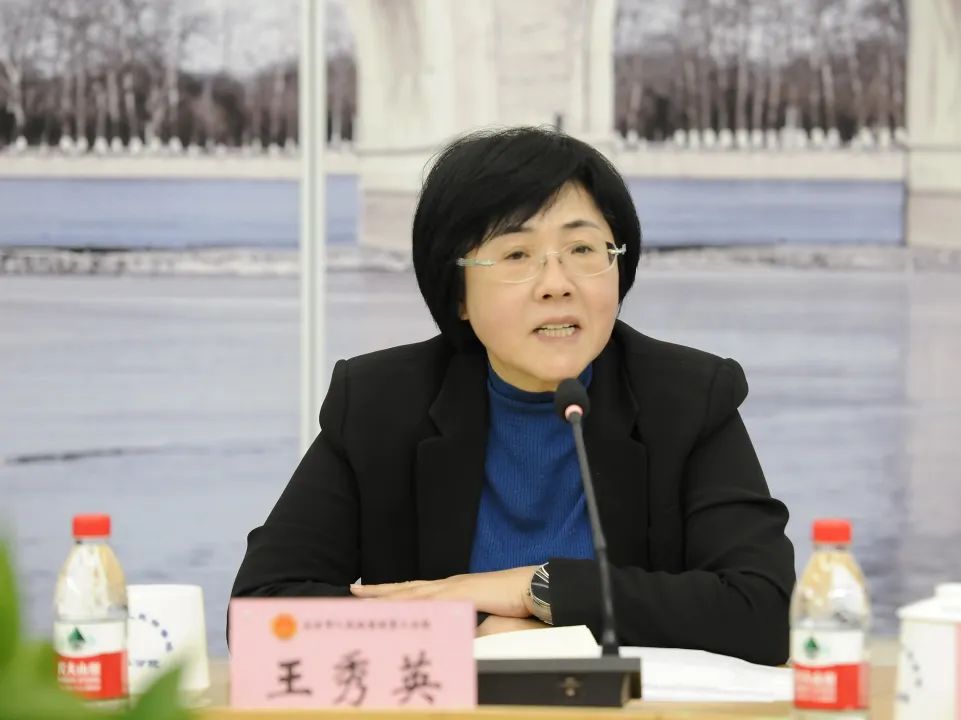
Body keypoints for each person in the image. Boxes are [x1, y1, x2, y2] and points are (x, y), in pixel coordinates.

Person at [230, 126, 796, 665]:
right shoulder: (381, 403)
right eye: (517, 255)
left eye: (583, 249)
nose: (556, 284)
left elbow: (763, 611)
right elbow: (262, 614)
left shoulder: (688, 398)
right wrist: (477, 633)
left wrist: (536, 588)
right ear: (458, 294)